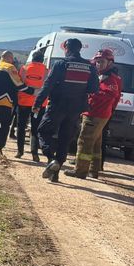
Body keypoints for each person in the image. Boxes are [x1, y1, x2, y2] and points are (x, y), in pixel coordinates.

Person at [32, 38, 99, 182]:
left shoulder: (61, 64)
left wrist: (37, 103)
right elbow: (94, 88)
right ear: (80, 49)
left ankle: (51, 159)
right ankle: (54, 174)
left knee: (43, 131)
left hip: (57, 105)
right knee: (65, 138)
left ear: (66, 48)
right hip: (76, 108)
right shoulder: (90, 67)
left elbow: (47, 85)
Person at [64, 49, 122, 179]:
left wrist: (90, 92)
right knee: (96, 143)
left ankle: (80, 171)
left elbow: (110, 95)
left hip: (95, 113)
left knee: (84, 141)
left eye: (101, 62)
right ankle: (93, 170)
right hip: (99, 113)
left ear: (110, 62)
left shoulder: (111, 79)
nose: (98, 64)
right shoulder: (104, 76)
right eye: (97, 61)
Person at [0, 50, 29, 158]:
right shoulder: (10, 67)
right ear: (9, 58)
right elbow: (18, 84)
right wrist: (30, 90)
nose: (13, 61)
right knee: (5, 125)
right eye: (12, 59)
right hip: (3, 101)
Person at [16, 49, 47, 160]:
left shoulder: (24, 69)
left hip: (23, 102)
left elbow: (19, 84)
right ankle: (35, 153)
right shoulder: (47, 71)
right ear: (42, 60)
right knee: (35, 128)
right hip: (39, 104)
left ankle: (20, 151)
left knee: (21, 127)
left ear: (32, 59)